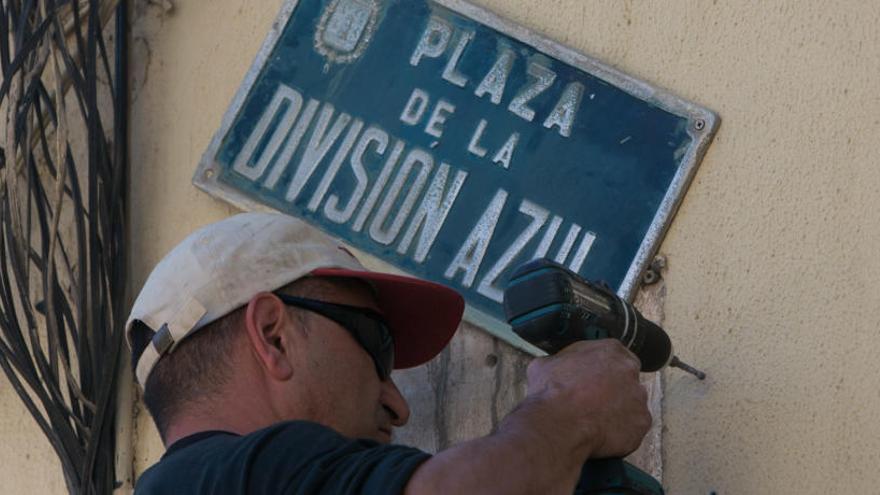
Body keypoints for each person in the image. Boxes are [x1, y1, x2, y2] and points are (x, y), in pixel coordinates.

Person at [127, 212, 651, 494]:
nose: (398, 405)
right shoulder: (227, 477)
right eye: (376, 347)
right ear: (273, 335)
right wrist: (570, 411)